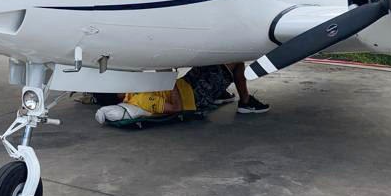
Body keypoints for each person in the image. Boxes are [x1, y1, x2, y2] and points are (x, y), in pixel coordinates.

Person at [94, 63, 269, 124]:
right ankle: (246, 103)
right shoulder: (142, 100)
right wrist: (168, 80)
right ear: (117, 96)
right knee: (235, 63)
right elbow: (176, 108)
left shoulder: (134, 92)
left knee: (210, 61)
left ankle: (220, 92)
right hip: (195, 96)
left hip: (186, 83)